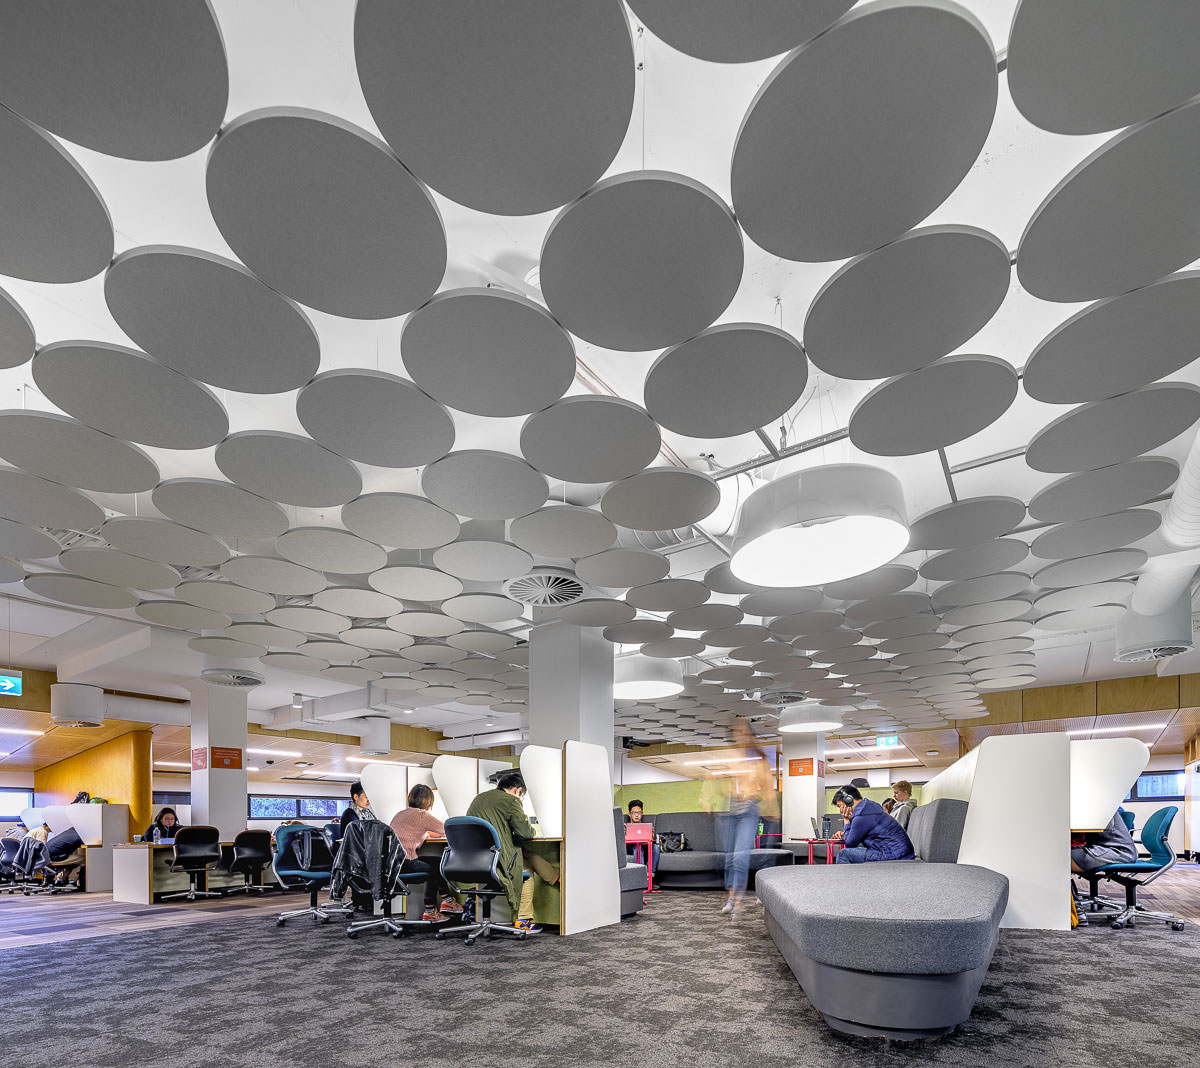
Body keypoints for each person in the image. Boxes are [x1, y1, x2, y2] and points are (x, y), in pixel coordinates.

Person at [466, 770, 558, 934]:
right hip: (497, 859)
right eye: (521, 796)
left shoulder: (479, 798)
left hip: (473, 860)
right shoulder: (511, 801)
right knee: (526, 869)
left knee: (525, 855)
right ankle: (523, 921)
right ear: (518, 790)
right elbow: (526, 833)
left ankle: (556, 876)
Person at [717, 720, 777, 919]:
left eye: (743, 731)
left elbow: (767, 787)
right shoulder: (731, 756)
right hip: (729, 809)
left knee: (740, 857)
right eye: (736, 731)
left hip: (749, 809)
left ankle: (738, 904)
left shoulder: (759, 760)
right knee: (729, 859)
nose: (740, 735)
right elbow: (718, 781)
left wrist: (772, 807)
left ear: (749, 734)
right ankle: (731, 898)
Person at [389, 784, 460, 921]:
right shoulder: (422, 815)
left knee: (437, 861)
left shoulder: (400, 814)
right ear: (428, 801)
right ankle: (433, 910)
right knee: (434, 869)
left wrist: (426, 833)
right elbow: (447, 828)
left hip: (393, 863)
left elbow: (414, 831)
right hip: (406, 862)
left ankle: (447, 901)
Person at [832, 785, 914, 863]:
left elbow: (850, 844)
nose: (840, 810)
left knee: (843, 854)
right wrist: (847, 833)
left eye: (840, 806)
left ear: (848, 800)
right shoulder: (868, 805)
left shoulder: (861, 815)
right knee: (858, 846)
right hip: (902, 851)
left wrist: (846, 819)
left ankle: (846, 878)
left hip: (893, 854)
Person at [1071, 808, 1137, 874]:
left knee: (1063, 857)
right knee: (1064, 853)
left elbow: (1106, 825)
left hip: (1118, 851)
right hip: (1101, 847)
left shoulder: (1097, 802)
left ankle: (1066, 883)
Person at [625, 799, 661, 874]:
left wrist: (650, 836)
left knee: (656, 848)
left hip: (645, 846)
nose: (637, 815)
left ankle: (649, 874)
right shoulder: (625, 826)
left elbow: (652, 837)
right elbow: (623, 840)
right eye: (634, 812)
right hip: (631, 846)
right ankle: (640, 874)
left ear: (642, 813)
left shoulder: (647, 826)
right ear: (629, 814)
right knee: (638, 848)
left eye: (639, 812)